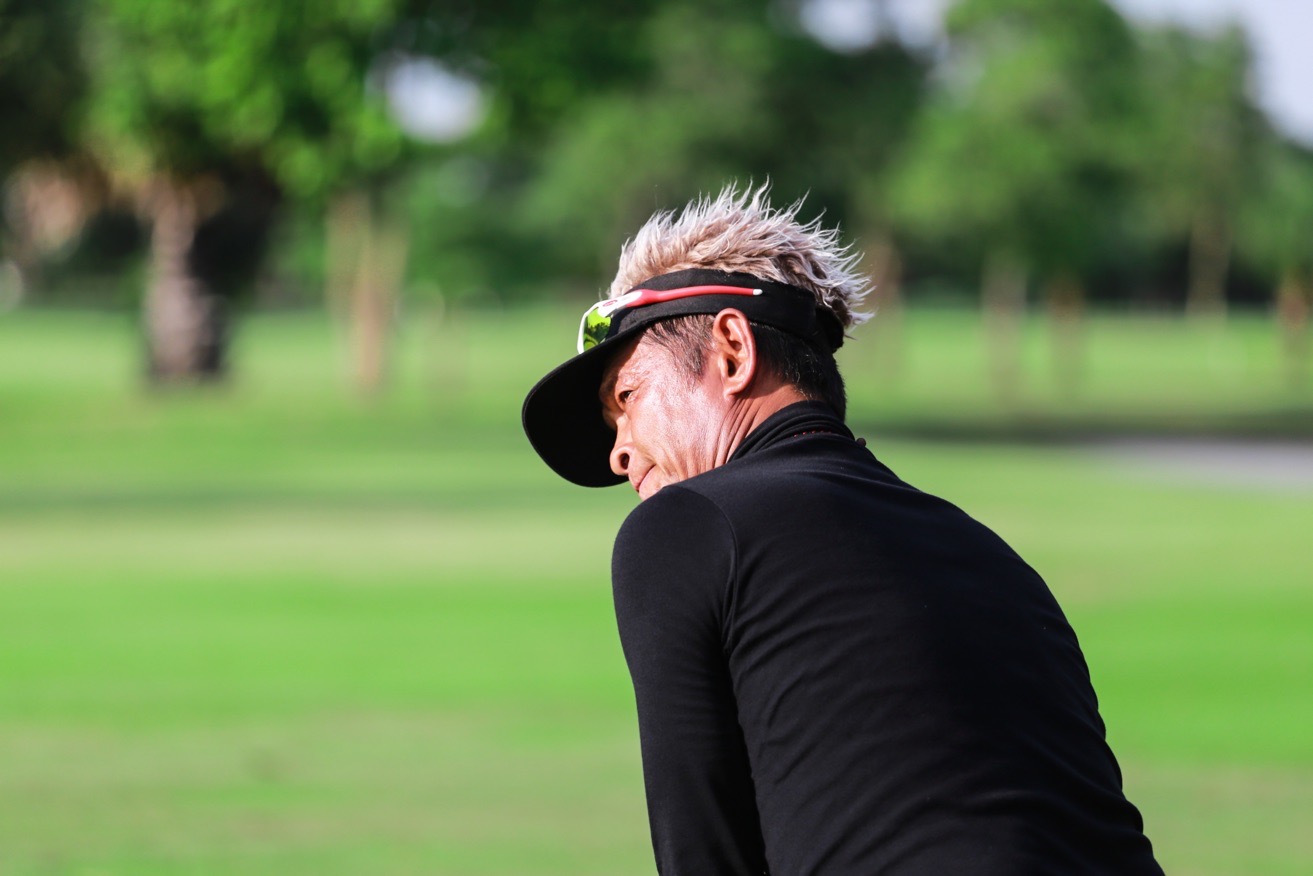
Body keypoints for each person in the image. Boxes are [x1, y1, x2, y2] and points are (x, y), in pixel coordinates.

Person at [522, 185, 1162, 875]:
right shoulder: (993, 556)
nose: (618, 454)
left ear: (731, 350)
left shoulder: (687, 526)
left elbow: (706, 854)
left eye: (627, 397)